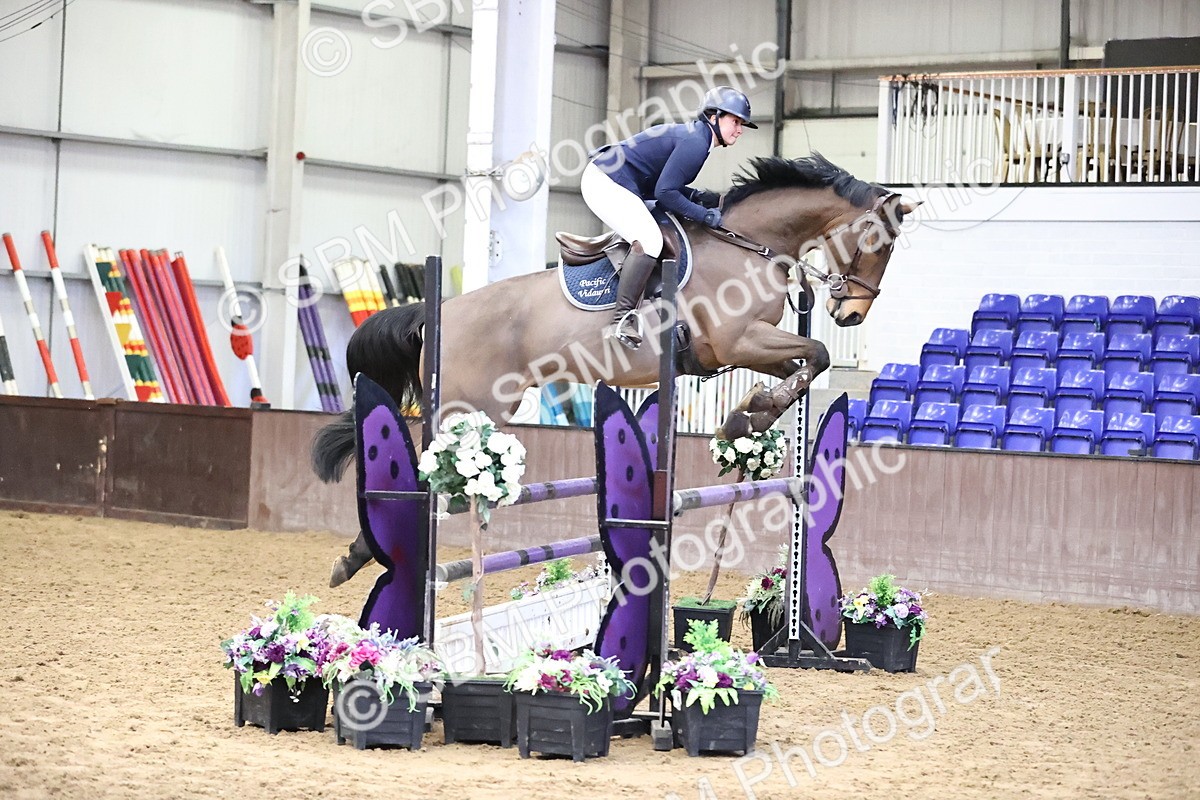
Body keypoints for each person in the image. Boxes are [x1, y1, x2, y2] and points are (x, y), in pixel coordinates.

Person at [580, 85, 757, 349]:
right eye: (735, 121)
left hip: (620, 181)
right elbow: (665, 193)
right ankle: (622, 319)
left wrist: (700, 197)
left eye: (741, 123)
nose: (739, 129)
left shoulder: (698, 138)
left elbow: (667, 183)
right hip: (606, 180)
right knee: (650, 241)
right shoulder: (697, 142)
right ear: (713, 116)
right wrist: (704, 216)